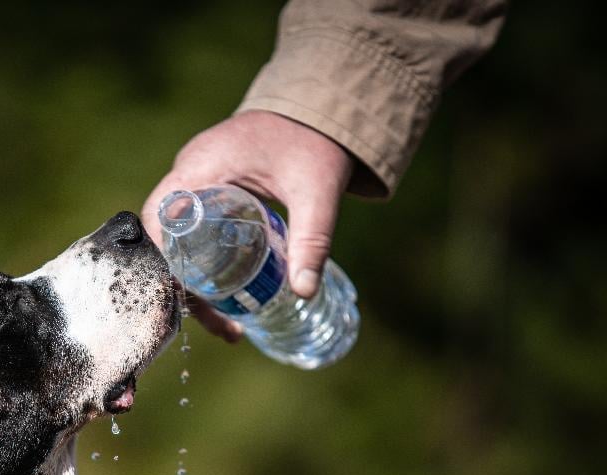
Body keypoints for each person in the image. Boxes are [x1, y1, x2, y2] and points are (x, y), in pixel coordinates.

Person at [141, 0, 507, 342]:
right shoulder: (192, 246)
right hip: (300, 330)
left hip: (314, 319)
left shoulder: (225, 213)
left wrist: (312, 110)